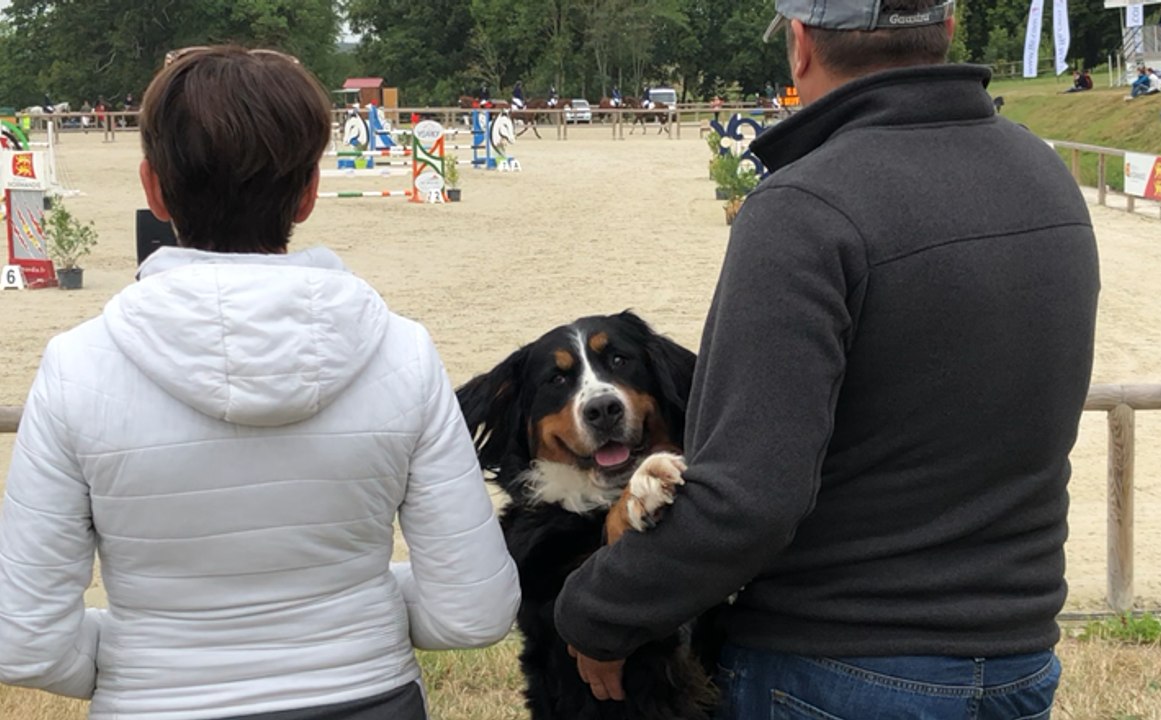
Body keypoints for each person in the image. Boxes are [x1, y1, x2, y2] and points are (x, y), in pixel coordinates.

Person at [553, 0, 1100, 716]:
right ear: (948, 28)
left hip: (836, 665)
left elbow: (750, 498)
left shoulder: (804, 207)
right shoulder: (1044, 173)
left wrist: (596, 612)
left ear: (801, 46)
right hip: (1018, 657)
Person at [0, 45, 519, 719]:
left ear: (153, 188)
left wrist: (142, 654)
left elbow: (26, 639)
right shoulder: (403, 353)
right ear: (307, 194)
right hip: (368, 696)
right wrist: (352, 611)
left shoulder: (78, 367)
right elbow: (473, 611)